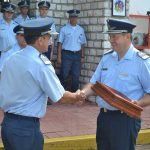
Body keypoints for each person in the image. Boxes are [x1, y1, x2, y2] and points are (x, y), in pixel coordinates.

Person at [0, 18, 85, 150]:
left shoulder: (11, 58)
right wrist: (76, 96)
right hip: (25, 130)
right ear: (40, 40)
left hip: (8, 125)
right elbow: (60, 96)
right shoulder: (40, 64)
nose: (50, 41)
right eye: (48, 37)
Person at [79, 18, 150, 150]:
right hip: (104, 117)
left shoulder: (141, 62)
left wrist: (138, 104)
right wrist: (83, 94)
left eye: (114, 36)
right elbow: (94, 84)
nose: (110, 40)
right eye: (110, 36)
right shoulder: (107, 58)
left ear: (127, 36)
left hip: (126, 119)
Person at [57, 9, 86, 92]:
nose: (74, 19)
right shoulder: (64, 29)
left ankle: (74, 95)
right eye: (72, 17)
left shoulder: (80, 29)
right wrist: (59, 56)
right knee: (64, 74)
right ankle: (62, 94)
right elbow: (60, 43)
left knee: (76, 75)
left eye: (75, 17)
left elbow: (82, 44)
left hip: (77, 55)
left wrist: (82, 56)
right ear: (69, 18)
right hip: (66, 54)